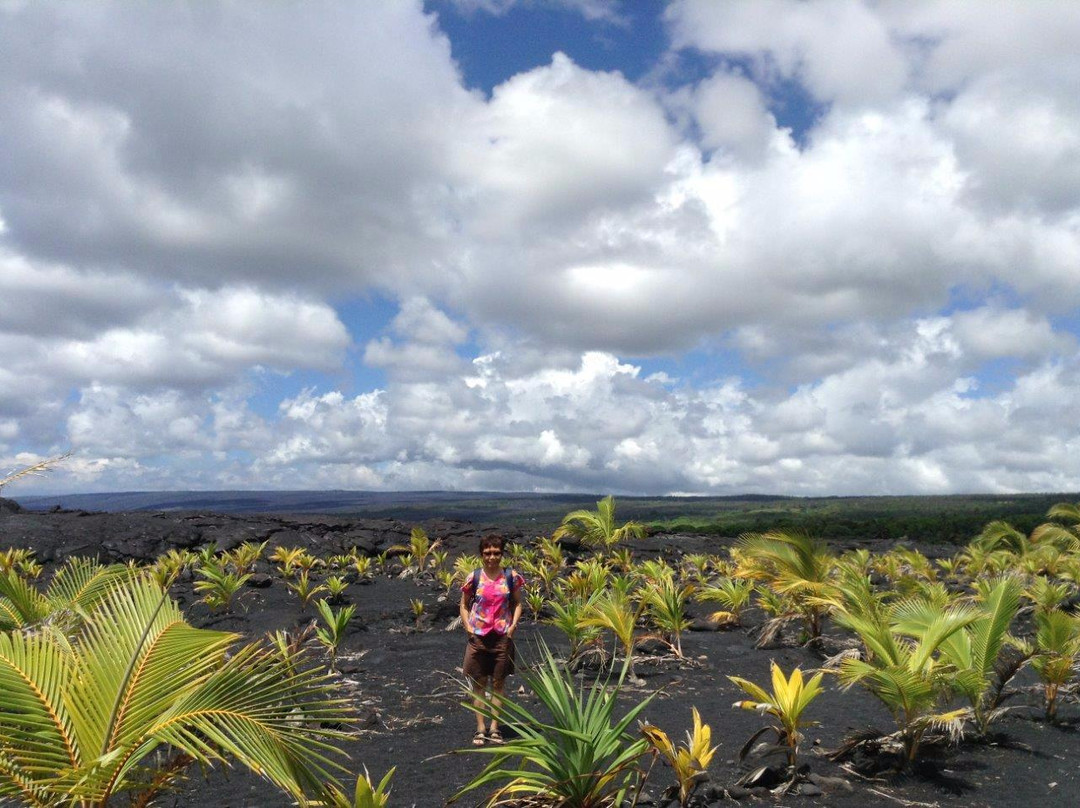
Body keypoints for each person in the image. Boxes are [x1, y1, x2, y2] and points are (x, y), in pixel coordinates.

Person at [460, 534, 524, 746]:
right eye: (487, 553)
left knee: (498, 683)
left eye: (496, 552)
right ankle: (480, 728)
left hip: (501, 637)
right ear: (481, 554)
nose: (492, 557)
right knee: (479, 683)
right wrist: (469, 628)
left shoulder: (510, 576)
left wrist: (512, 626)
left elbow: (517, 603)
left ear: (502, 554)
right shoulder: (474, 577)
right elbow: (464, 604)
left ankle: (495, 728)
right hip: (478, 637)